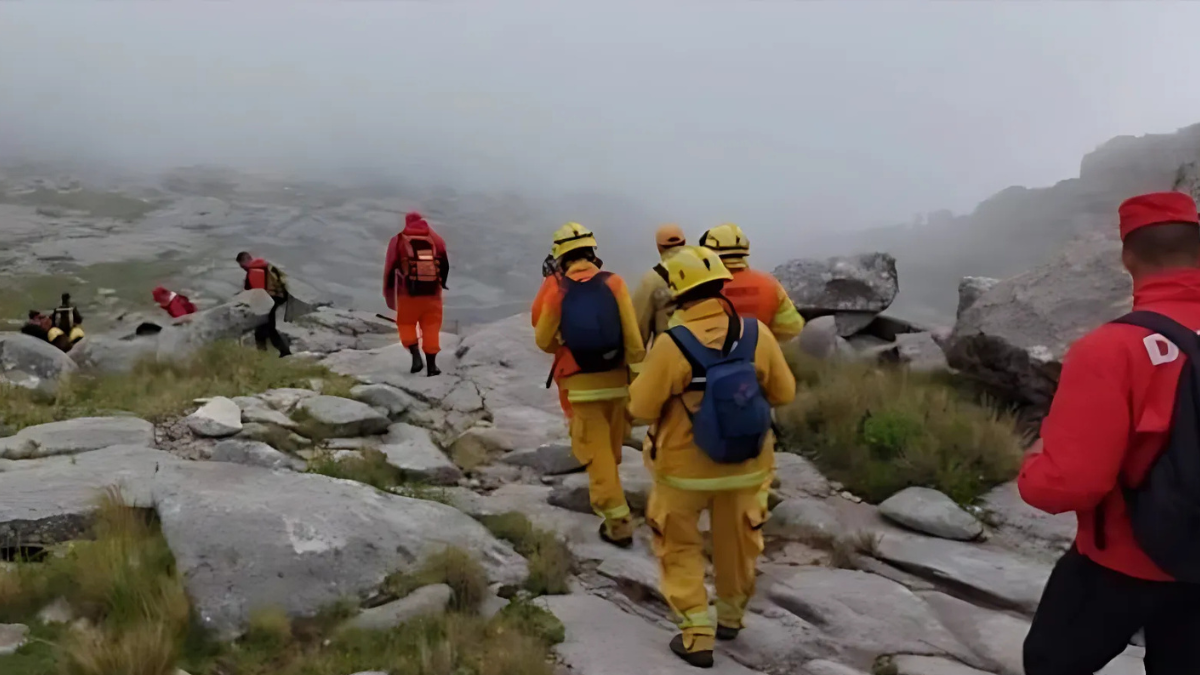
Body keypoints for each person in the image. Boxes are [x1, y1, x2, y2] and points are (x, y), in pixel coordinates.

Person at [1020, 191, 1200, 675]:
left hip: (1122, 563)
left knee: (1051, 663)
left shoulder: (1111, 349)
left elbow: (1068, 485)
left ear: (1128, 258)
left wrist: (1035, 459)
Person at [628, 246, 796, 668]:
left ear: (677, 293)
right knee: (738, 544)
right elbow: (784, 393)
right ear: (722, 284)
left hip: (683, 472)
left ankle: (696, 634)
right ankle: (732, 617)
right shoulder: (757, 334)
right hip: (748, 465)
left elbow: (641, 408)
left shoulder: (672, 345)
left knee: (680, 546)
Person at [532, 222, 646, 547]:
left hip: (581, 387)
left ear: (561, 256)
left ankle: (617, 523)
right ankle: (614, 492)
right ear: (592, 251)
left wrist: (565, 344)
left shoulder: (558, 290)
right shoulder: (615, 282)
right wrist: (633, 375)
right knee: (611, 449)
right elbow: (634, 339)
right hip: (617, 381)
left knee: (597, 456)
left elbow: (542, 340)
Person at [697, 224, 804, 342]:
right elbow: (791, 328)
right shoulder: (769, 283)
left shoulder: (697, 287)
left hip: (707, 351)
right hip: (759, 350)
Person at [384, 212, 449, 376]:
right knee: (431, 327)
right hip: (433, 295)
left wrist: (389, 295)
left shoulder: (398, 240)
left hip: (408, 295)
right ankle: (432, 366)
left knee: (406, 324)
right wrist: (442, 284)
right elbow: (445, 264)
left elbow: (390, 269)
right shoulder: (436, 239)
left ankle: (415, 356)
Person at [631, 223, 688, 349]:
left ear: (659, 247)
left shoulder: (652, 279)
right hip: (705, 352)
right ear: (684, 243)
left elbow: (639, 326)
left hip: (668, 351)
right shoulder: (706, 270)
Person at [236, 252, 292, 357]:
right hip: (280, 297)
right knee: (266, 328)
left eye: (242, 265)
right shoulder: (266, 265)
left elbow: (254, 290)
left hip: (270, 300)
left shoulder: (254, 270)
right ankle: (278, 352)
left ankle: (280, 353)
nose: (242, 268)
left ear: (246, 260)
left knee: (264, 329)